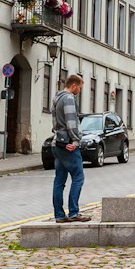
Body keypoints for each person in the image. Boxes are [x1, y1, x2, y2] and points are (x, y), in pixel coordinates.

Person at [51, 74, 90, 223]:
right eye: (79, 87)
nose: (79, 90)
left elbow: (55, 123)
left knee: (59, 180)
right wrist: (76, 140)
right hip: (68, 145)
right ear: (74, 86)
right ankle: (74, 212)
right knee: (78, 177)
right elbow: (71, 121)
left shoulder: (56, 98)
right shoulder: (68, 98)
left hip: (58, 143)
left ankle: (59, 215)